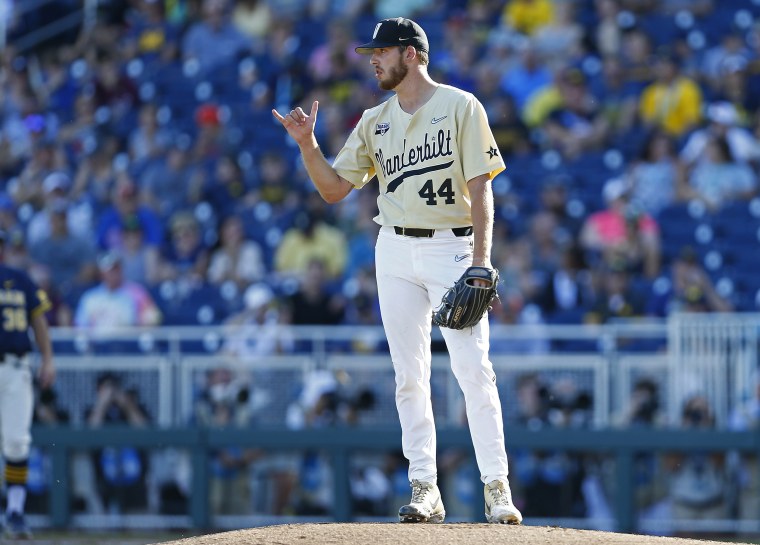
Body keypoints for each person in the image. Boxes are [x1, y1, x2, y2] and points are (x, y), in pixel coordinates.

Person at [272, 17, 522, 525]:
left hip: (452, 249)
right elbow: (334, 190)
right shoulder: (374, 119)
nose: (372, 59)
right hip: (394, 249)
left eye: (382, 51)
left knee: (473, 369)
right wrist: (306, 145)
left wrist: (480, 260)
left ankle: (497, 486)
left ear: (411, 54)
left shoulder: (460, 106)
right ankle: (424, 487)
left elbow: (482, 188)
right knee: (410, 375)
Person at [0, 229, 56, 539]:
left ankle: (16, 511)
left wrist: (48, 358)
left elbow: (39, 320)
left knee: (17, 440)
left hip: (16, 366)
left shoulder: (19, 278)